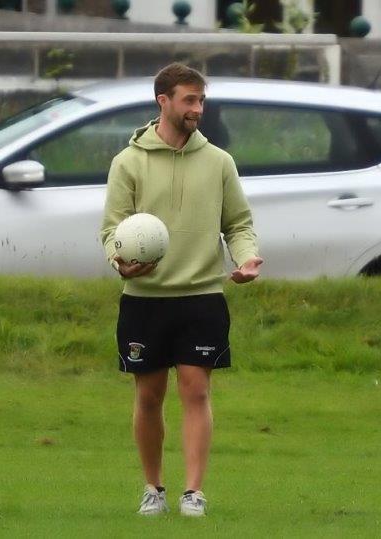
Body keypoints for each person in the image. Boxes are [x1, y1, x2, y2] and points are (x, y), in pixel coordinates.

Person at [100, 63, 263, 517]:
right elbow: (112, 229)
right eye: (189, 100)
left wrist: (246, 257)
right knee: (148, 397)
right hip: (144, 300)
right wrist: (120, 262)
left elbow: (238, 224)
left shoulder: (219, 162)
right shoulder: (128, 162)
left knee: (196, 392)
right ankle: (153, 488)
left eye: (201, 100)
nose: (197, 109)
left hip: (202, 296)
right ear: (163, 102)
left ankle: (194, 492)